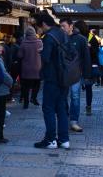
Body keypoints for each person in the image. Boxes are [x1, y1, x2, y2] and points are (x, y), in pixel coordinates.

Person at [34, 13, 70, 149]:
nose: (39, 30)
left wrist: (41, 52)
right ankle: (64, 140)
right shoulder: (63, 33)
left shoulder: (49, 37)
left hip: (52, 78)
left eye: (39, 26)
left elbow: (47, 58)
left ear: (43, 24)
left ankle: (50, 140)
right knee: (61, 108)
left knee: (48, 108)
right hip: (65, 78)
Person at [60, 18, 91, 133]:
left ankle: (74, 121)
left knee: (75, 97)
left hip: (75, 74)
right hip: (62, 73)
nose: (62, 28)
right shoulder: (59, 39)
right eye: (60, 26)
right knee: (62, 97)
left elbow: (86, 57)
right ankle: (64, 117)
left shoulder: (81, 39)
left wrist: (87, 74)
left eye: (63, 26)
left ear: (71, 26)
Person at [0, 37, 14, 143]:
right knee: (0, 114)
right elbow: (3, 74)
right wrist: (11, 82)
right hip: (0, 89)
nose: (1, 47)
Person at [17, 25, 43, 109]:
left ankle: (26, 103)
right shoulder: (39, 42)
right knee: (37, 84)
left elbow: (19, 55)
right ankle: (34, 97)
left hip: (26, 69)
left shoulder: (23, 43)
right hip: (37, 68)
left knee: (25, 87)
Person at [77, 20, 98, 116]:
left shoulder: (91, 38)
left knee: (85, 87)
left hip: (84, 66)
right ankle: (86, 107)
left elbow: (95, 52)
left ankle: (87, 107)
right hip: (84, 67)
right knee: (87, 88)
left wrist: (89, 48)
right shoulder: (90, 37)